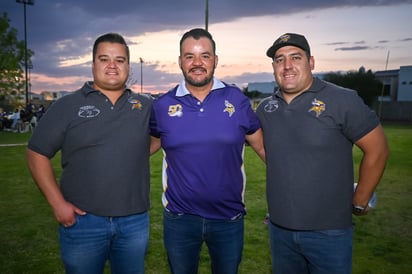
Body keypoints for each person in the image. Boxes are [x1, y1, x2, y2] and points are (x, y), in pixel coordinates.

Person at [256, 33, 389, 274]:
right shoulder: (267, 107)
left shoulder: (342, 100)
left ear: (311, 62)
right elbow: (269, 150)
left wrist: (359, 201)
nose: (287, 66)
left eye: (296, 57)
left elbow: (378, 149)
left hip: (329, 233)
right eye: (279, 60)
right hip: (280, 230)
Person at [26, 33, 152, 274]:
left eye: (120, 59)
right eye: (104, 59)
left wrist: (130, 153)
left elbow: (156, 138)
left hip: (134, 221)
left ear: (128, 65)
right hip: (83, 222)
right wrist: (57, 204)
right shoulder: (67, 106)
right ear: (93, 64)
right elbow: (36, 153)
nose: (112, 66)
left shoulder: (145, 105)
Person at [150, 28, 265, 274]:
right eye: (189, 56)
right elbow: (141, 149)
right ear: (180, 61)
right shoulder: (162, 106)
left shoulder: (237, 100)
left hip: (228, 219)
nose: (197, 63)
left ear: (215, 60)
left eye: (205, 55)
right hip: (180, 219)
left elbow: (265, 150)